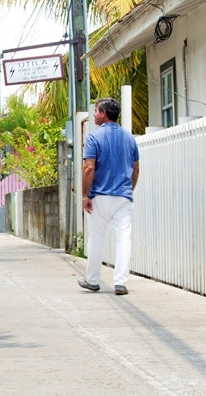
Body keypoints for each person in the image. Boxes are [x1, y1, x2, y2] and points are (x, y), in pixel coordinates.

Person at [78, 98, 139, 295]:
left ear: (104, 113)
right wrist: (129, 189)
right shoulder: (129, 138)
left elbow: (88, 167)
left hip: (100, 196)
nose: (94, 114)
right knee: (123, 238)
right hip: (123, 196)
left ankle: (93, 280)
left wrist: (85, 195)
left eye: (96, 111)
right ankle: (120, 283)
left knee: (96, 238)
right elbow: (136, 168)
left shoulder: (94, 138)